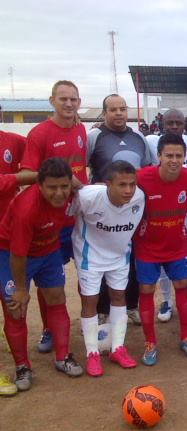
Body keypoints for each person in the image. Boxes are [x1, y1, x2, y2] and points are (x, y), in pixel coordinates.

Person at [0, 159, 84, 392]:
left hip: (48, 250)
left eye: (64, 186)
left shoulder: (74, 193)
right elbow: (18, 254)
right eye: (52, 188)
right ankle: (22, 366)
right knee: (15, 308)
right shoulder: (26, 209)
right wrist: (20, 289)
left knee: (57, 298)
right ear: (39, 185)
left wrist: (77, 186)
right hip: (11, 254)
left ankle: (63, 356)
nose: (59, 193)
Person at [20, 80, 88, 354]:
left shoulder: (82, 128)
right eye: (63, 99)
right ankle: (49, 328)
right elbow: (26, 174)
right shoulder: (39, 133)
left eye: (73, 99)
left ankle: (90, 320)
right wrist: (64, 180)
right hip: (53, 220)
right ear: (52, 101)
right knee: (48, 278)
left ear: (79, 102)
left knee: (88, 272)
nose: (69, 104)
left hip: (80, 216)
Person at [71, 161, 145, 376]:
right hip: (90, 256)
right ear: (107, 184)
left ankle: (117, 348)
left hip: (120, 255)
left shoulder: (139, 197)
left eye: (132, 184)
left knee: (119, 296)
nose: (128, 190)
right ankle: (92, 353)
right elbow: (68, 213)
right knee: (90, 300)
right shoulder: (87, 197)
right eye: (122, 185)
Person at [87, 94, 153, 326]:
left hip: (133, 207)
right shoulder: (94, 136)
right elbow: (83, 166)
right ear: (105, 112)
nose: (118, 114)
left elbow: (148, 167)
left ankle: (131, 305)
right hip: (104, 208)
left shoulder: (138, 137)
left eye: (122, 109)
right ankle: (103, 308)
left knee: (132, 255)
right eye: (113, 109)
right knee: (105, 256)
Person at [134, 133, 187, 365]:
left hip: (176, 245)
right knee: (147, 290)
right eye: (168, 155)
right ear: (158, 156)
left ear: (185, 156)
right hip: (147, 246)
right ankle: (150, 342)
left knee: (182, 285)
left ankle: (186, 337)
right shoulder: (141, 178)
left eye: (178, 155)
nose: (173, 160)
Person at [146, 109, 187, 323]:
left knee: (185, 259)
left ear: (185, 124)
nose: (175, 126)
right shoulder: (151, 141)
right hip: (161, 209)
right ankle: (167, 301)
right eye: (170, 122)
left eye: (179, 122)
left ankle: (186, 299)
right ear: (162, 123)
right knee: (161, 259)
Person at [0, 129, 28, 395]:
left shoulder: (14, 141)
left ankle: (22, 365)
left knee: (14, 306)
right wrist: (15, 179)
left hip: (5, 242)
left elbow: (37, 158)